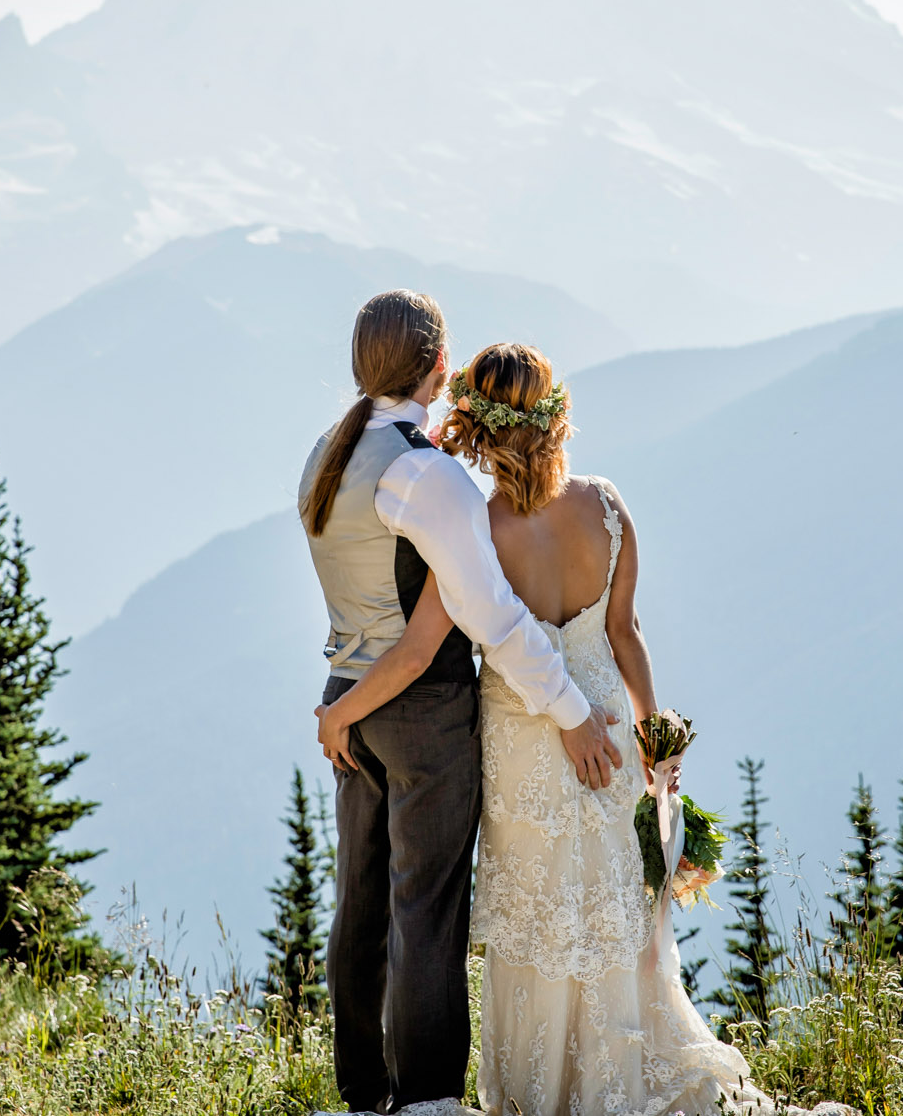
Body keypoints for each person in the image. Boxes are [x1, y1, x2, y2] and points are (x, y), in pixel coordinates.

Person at [316, 341, 757, 1116]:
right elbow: (627, 634)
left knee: (538, 920)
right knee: (606, 908)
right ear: (557, 418)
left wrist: (342, 708)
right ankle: (618, 1079)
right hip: (608, 732)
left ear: (480, 428)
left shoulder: (474, 527)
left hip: (520, 746)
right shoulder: (608, 505)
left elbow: (420, 647)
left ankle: (539, 1093)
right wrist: (655, 743)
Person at [297, 292, 624, 1115]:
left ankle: (362, 1087)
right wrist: (569, 707)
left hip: (348, 696)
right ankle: (432, 1095)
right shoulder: (424, 475)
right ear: (439, 368)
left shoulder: (327, 456)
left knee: (361, 899)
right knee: (427, 906)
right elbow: (490, 613)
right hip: (422, 712)